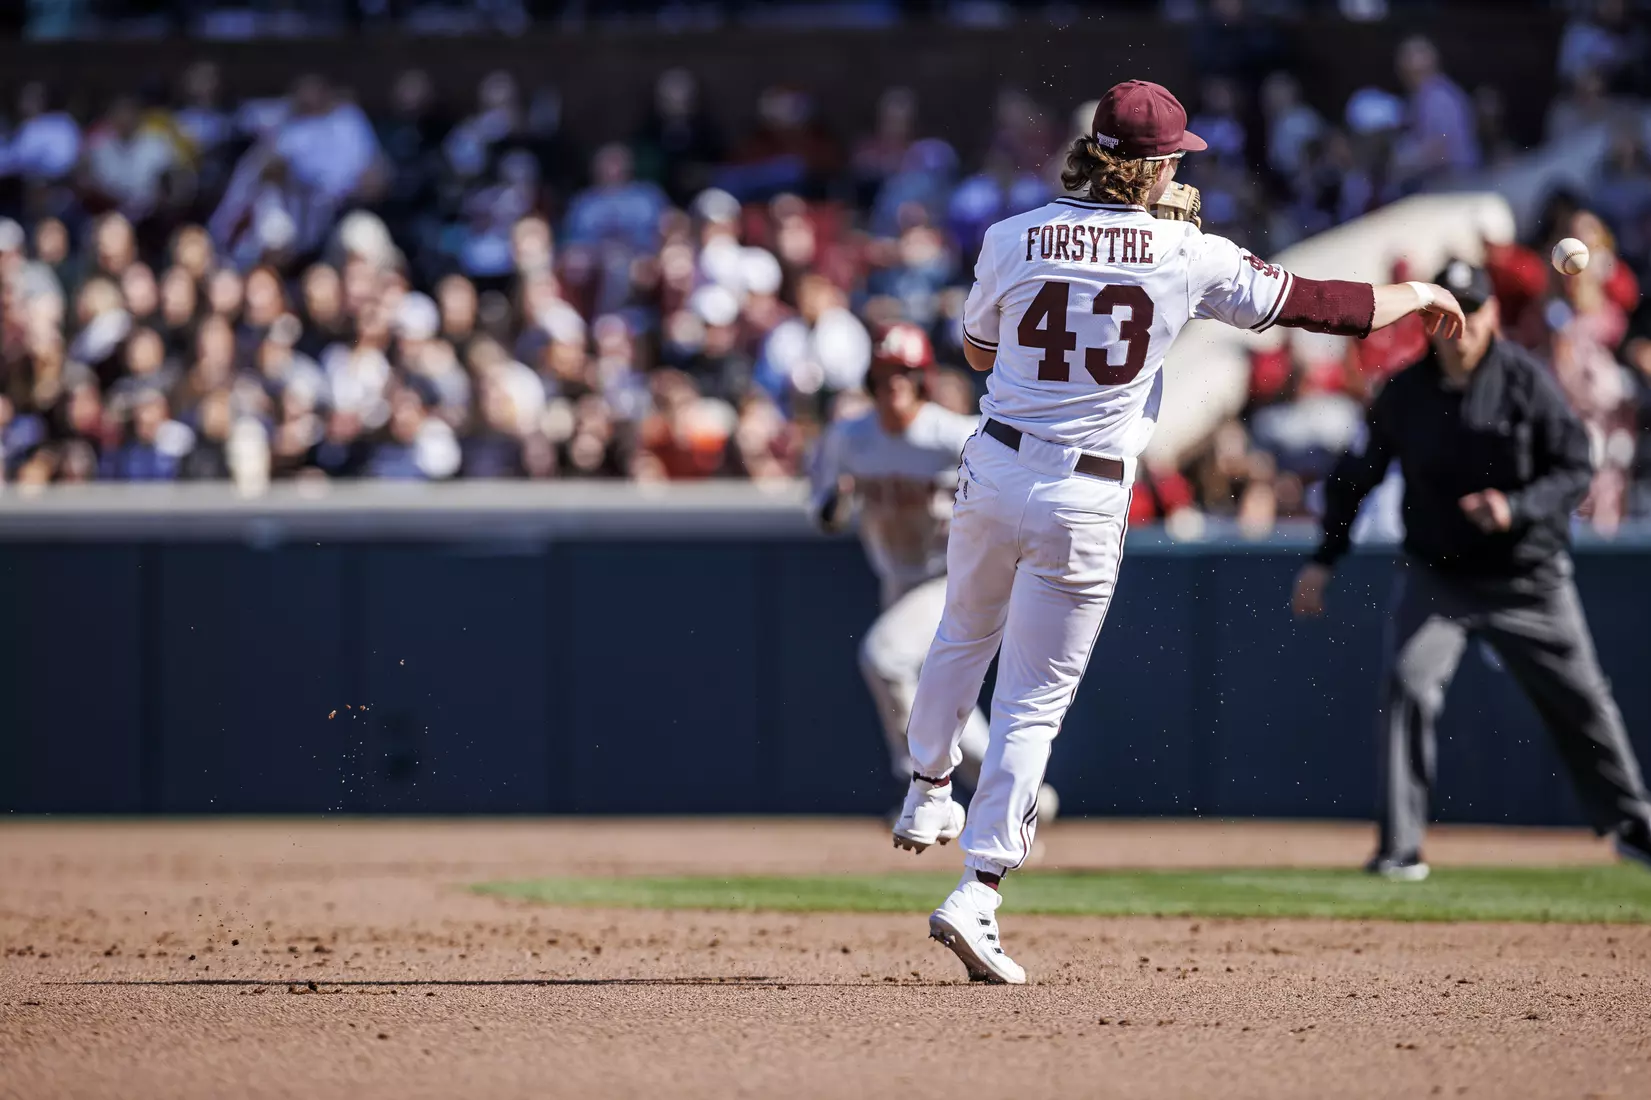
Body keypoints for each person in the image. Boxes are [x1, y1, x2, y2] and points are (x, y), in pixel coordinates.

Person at [899, 79, 1465, 985]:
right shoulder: (1185, 252)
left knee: (960, 635)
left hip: (999, 460)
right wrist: (1413, 290)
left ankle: (926, 790)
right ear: (1156, 162)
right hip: (1085, 494)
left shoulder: (1012, 235)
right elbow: (1319, 305)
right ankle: (977, 891)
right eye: (1174, 156)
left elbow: (975, 352)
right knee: (1033, 703)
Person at [1292, 261, 1651, 881]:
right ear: (1428, 322)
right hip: (1440, 577)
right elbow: (1354, 479)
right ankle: (1400, 849)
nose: (1463, 320)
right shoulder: (1404, 393)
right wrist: (1325, 558)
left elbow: (1574, 470)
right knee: (1407, 686)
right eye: (1449, 308)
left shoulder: (1525, 382)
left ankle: (1632, 824)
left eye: (1477, 307)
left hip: (1528, 577)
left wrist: (1514, 508)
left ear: (1492, 317)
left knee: (1584, 701)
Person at [811, 323, 1057, 826]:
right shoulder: (849, 438)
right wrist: (837, 499)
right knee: (936, 697)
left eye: (903, 374)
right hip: (898, 582)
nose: (893, 385)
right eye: (883, 375)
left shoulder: (951, 433)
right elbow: (825, 517)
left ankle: (921, 786)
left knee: (884, 658)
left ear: (922, 379)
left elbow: (1020, 467)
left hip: (954, 577)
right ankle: (1021, 795)